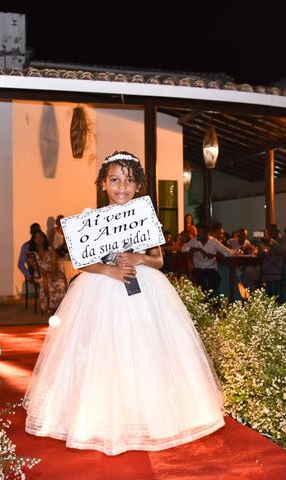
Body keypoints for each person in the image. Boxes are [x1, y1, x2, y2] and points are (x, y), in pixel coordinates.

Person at [23, 151, 224, 455]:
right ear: (103, 183)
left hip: (144, 288)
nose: (121, 187)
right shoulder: (92, 218)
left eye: (128, 181)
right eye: (114, 179)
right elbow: (82, 261)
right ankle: (96, 417)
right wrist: (109, 270)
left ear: (138, 185)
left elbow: (159, 259)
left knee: (146, 349)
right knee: (101, 353)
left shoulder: (144, 216)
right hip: (101, 289)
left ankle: (149, 415)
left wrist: (139, 257)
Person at [27, 230, 67, 314]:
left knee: (60, 281)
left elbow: (54, 264)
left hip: (53, 270)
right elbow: (34, 266)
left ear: (44, 238)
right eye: (36, 237)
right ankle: (50, 305)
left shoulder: (50, 248)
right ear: (33, 239)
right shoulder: (31, 252)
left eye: (41, 237)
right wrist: (46, 274)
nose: (39, 239)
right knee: (45, 280)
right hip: (39, 273)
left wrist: (52, 273)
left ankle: (60, 306)